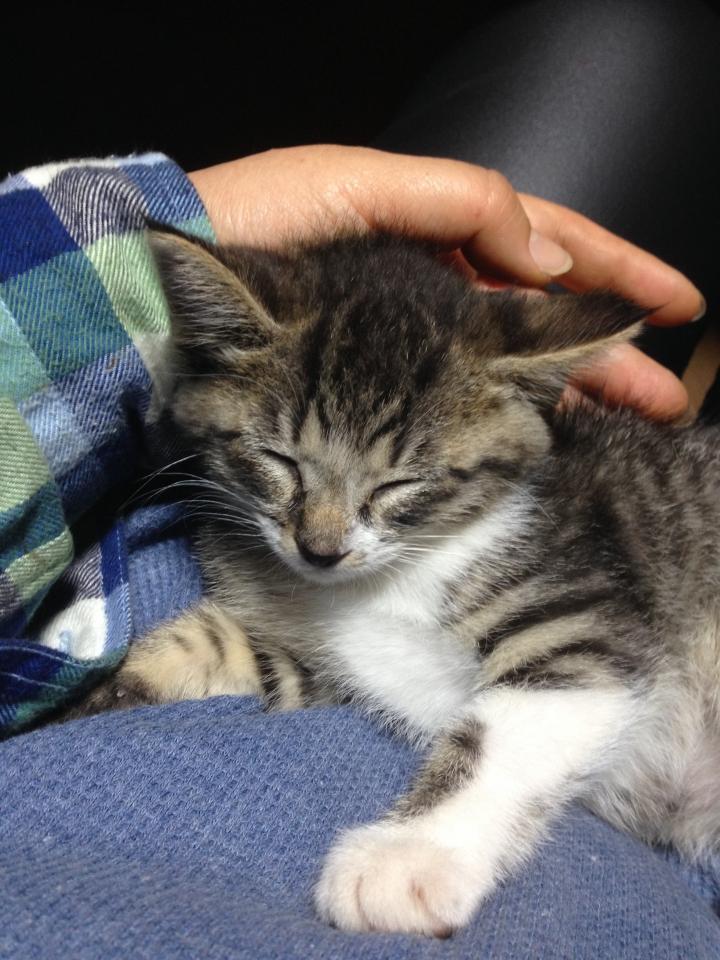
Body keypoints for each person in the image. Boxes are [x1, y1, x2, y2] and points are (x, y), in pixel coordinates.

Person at [2, 2, 719, 957]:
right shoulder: (254, 530)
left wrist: (440, 836)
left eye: (398, 487)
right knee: (631, 45)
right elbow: (305, 659)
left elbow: (585, 669)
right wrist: (145, 682)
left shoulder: (505, 530)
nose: (324, 536)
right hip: (655, 853)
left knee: (628, 37)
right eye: (280, 464)